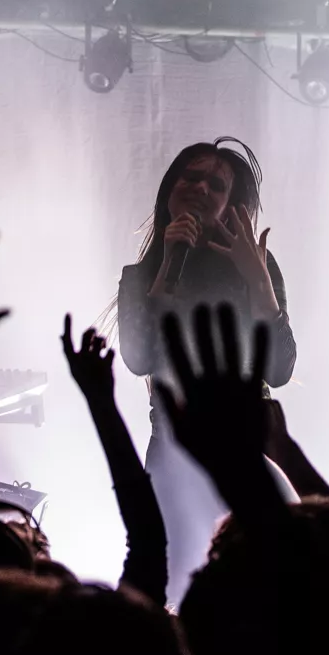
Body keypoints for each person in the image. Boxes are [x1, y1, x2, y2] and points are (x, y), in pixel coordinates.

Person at [117, 139, 297, 601]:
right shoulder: (140, 275)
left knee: (269, 579)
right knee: (174, 577)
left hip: (249, 443)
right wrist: (168, 264)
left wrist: (258, 280)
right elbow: (139, 358)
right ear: (169, 190)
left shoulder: (256, 266)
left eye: (215, 185)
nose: (200, 188)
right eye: (191, 177)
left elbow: (280, 369)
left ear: (232, 205)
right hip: (174, 447)